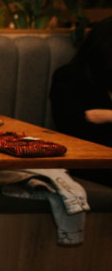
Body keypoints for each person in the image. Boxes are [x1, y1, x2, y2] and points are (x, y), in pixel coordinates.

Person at [50, 17, 112, 185]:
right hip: (89, 162)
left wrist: (105, 116)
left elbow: (93, 117)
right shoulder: (68, 77)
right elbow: (72, 125)